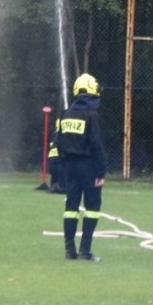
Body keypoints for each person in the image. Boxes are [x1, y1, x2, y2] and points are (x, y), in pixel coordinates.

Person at [56, 73, 107, 262]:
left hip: (69, 166)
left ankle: (69, 249)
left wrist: (63, 164)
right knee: (92, 207)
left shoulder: (65, 114)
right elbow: (96, 143)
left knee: (71, 206)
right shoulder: (92, 115)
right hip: (89, 166)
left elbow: (59, 141)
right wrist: (101, 171)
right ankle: (85, 250)